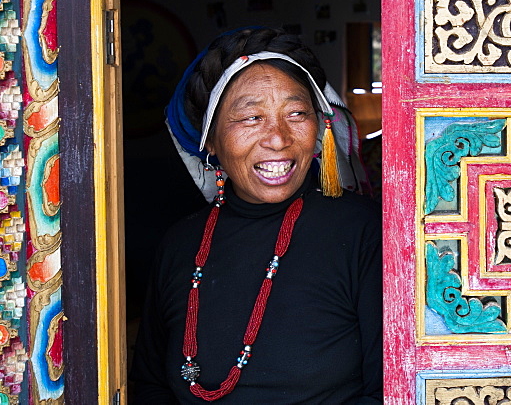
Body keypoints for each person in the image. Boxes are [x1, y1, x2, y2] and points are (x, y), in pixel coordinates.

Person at [128, 27, 383, 403]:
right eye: (251, 118)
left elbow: (391, 388)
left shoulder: (362, 232)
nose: (278, 138)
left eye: (296, 113)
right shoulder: (180, 245)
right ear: (210, 141)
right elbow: (149, 386)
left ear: (319, 129)